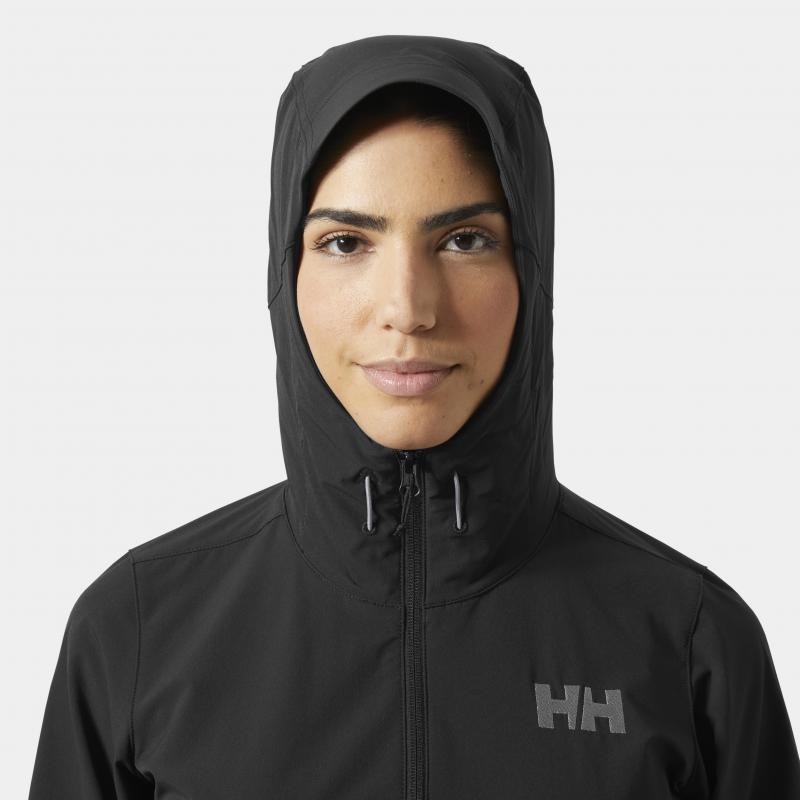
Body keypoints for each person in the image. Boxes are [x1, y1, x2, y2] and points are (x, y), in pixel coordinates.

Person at [28, 34, 799, 799]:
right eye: (345, 242)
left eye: (464, 240)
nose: (408, 307)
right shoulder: (136, 632)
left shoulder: (691, 643)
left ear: (531, 267)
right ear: (285, 272)